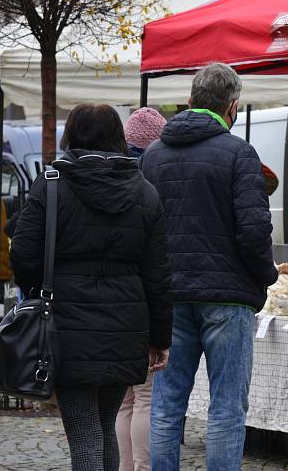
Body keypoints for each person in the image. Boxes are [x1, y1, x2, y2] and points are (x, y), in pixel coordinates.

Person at [10, 104, 172, 471]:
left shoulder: (52, 188)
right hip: (126, 326)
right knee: (103, 424)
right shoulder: (145, 193)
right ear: (118, 136)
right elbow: (158, 274)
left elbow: (22, 252)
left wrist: (39, 291)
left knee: (85, 431)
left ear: (73, 136)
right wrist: (160, 337)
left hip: (68, 325)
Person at [141, 63, 277, 471]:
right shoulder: (239, 153)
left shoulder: (152, 156)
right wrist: (264, 278)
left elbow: (142, 233)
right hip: (227, 297)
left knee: (166, 406)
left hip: (170, 295)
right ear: (232, 106)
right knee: (227, 408)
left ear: (190, 100)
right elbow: (255, 233)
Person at [112, 107, 168, 471]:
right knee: (146, 398)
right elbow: (158, 263)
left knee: (124, 401)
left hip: (113, 303)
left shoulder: (111, 177)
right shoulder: (151, 187)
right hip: (142, 304)